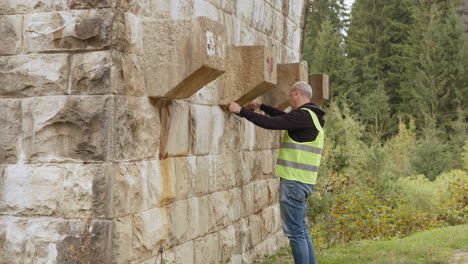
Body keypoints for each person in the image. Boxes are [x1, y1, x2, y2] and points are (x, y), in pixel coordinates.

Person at [228, 81, 325, 264]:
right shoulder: (313, 116)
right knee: (301, 230)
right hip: (304, 181)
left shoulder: (303, 116)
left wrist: (241, 110)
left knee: (295, 232)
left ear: (296, 93)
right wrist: (262, 106)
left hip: (294, 181)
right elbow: (284, 118)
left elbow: (271, 124)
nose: (290, 99)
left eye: (291, 95)